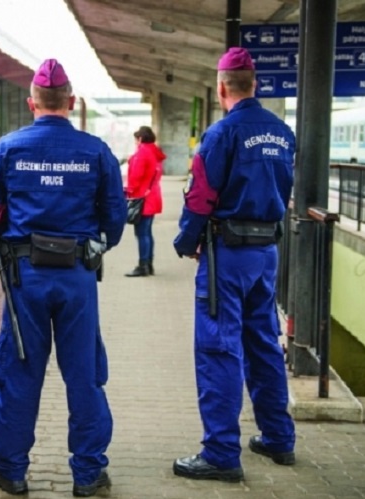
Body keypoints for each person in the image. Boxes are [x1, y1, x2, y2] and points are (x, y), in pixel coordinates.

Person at [0, 58, 126, 497]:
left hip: (25, 279)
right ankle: (88, 473)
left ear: (32, 102)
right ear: (71, 103)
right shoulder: (96, 151)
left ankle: (11, 471)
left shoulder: (8, 149)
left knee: (19, 372)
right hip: (77, 276)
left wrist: (2, 240)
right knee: (84, 373)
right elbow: (114, 217)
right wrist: (98, 245)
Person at [172, 46, 296, 482]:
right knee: (263, 341)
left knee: (219, 347)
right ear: (255, 85)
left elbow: (201, 196)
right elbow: (285, 189)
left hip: (226, 255)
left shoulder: (222, 134)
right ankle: (278, 438)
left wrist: (186, 241)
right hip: (266, 255)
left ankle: (222, 453)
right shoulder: (283, 133)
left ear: (221, 87)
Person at [124, 125, 166, 277]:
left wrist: (128, 192)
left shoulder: (142, 152)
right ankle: (149, 264)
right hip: (153, 196)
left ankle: (142, 266)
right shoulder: (155, 152)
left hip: (142, 198)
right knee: (147, 232)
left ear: (140, 138)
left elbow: (136, 177)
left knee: (141, 233)